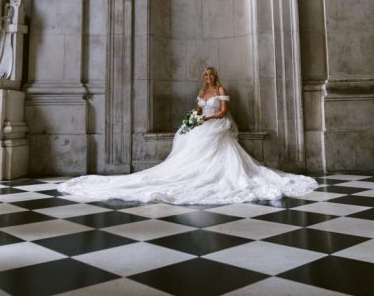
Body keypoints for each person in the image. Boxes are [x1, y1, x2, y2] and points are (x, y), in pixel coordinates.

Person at [57, 67, 318, 204]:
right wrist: (193, 119)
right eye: (205, 74)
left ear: (216, 76)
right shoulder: (202, 93)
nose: (208, 77)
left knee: (209, 140)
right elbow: (195, 110)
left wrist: (206, 118)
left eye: (211, 74)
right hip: (204, 121)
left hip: (218, 123)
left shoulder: (221, 89)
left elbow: (224, 111)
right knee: (188, 135)